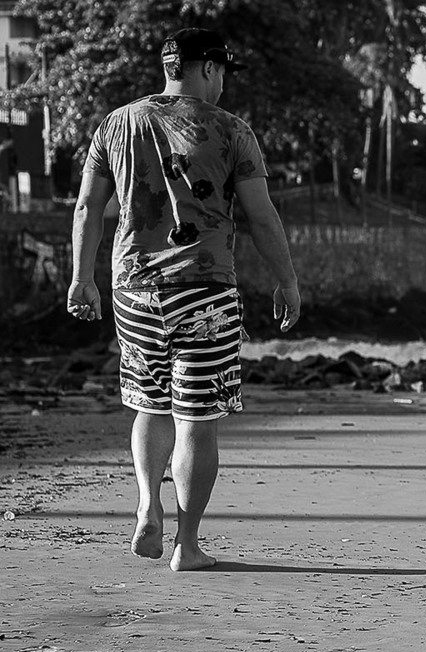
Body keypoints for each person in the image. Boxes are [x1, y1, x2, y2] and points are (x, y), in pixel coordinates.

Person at [67, 28, 301, 571]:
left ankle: (147, 504)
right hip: (205, 292)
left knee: (149, 405)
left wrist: (82, 278)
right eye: (223, 74)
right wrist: (287, 281)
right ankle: (186, 545)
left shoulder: (116, 124)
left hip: (133, 289)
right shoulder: (232, 130)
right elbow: (261, 215)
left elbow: (87, 208)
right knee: (196, 419)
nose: (223, 85)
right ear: (209, 69)